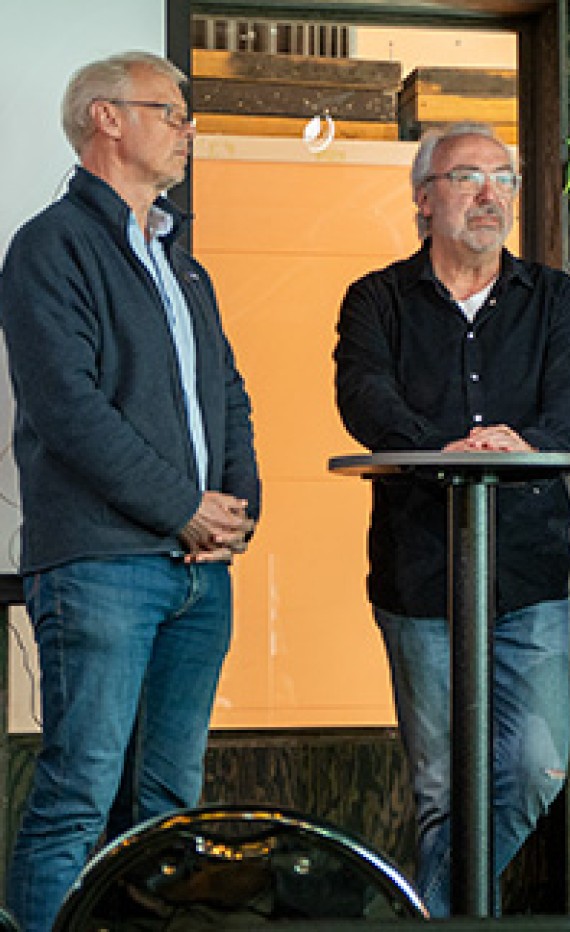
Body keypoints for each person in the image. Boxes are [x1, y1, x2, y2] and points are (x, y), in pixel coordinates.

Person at [0, 51, 260, 931]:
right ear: (106, 119)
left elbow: (225, 392)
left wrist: (234, 506)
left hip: (198, 572)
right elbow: (67, 410)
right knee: (79, 795)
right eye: (173, 111)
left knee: (168, 808)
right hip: (102, 566)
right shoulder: (50, 245)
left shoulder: (182, 260)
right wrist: (180, 506)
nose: (190, 129)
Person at [333, 121, 570, 917]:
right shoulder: (376, 299)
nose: (491, 195)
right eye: (467, 178)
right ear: (424, 199)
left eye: (505, 179)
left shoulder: (556, 297)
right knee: (443, 788)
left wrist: (527, 443)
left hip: (526, 567)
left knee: (536, 769)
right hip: (420, 571)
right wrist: (440, 444)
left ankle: (433, 917)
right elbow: (363, 398)